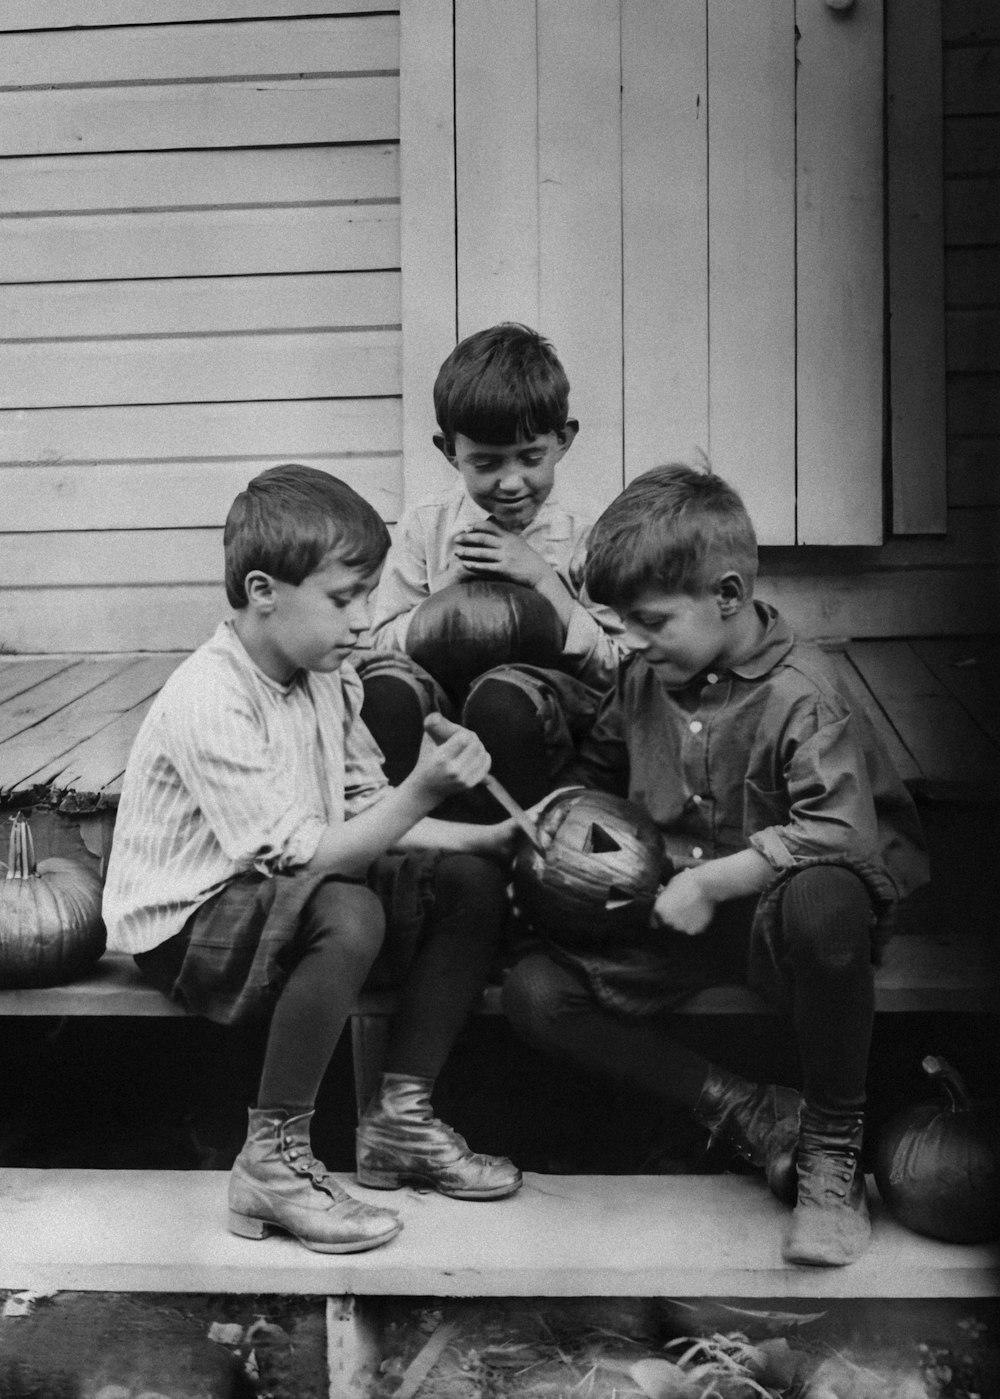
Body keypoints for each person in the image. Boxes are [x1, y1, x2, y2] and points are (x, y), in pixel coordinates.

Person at [502, 463, 929, 1267]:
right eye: (620, 622)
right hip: (671, 909)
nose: (630, 640)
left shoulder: (803, 692)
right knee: (534, 992)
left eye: (650, 620)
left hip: (780, 920)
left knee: (829, 903)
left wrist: (713, 880)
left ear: (727, 595)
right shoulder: (643, 677)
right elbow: (593, 778)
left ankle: (831, 1150)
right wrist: (548, 837)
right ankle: (749, 1110)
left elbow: (839, 833)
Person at [102, 464, 521, 1258]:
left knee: (470, 884)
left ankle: (400, 1117)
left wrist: (484, 840)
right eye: (344, 598)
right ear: (264, 590)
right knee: (347, 906)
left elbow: (365, 808)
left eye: (368, 596)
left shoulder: (326, 677)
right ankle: (272, 1163)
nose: (365, 620)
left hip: (281, 895)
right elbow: (304, 853)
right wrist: (426, 791)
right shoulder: (210, 696)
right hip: (187, 923)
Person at [359, 322, 625, 810]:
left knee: (502, 701)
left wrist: (544, 581)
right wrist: (444, 606)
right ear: (449, 452)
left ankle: (516, 853)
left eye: (530, 457)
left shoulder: (588, 537)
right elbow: (376, 643)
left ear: (563, 440)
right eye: (486, 463)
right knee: (386, 691)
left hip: (539, 719)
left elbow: (619, 669)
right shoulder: (427, 526)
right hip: (441, 712)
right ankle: (402, 847)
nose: (510, 482)